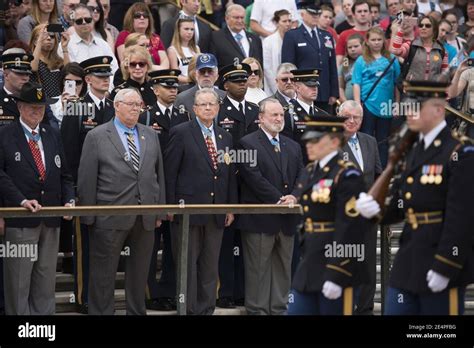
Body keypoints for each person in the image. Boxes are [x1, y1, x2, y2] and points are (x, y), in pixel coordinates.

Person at [356, 80, 474, 315]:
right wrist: (377, 211)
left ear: (439, 110)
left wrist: (446, 265)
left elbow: (462, 217)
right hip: (408, 259)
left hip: (440, 260)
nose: (409, 112)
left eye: (417, 107)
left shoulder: (460, 152)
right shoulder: (412, 150)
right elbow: (403, 203)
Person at [77, 88, 166, 315]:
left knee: (139, 274)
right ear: (116, 105)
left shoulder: (150, 134)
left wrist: (159, 212)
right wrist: (88, 216)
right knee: (103, 274)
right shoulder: (97, 136)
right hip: (109, 216)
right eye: (130, 104)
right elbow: (87, 179)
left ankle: (136, 312)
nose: (136, 109)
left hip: (145, 215)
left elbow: (158, 176)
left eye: (139, 105)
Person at [0, 81, 75, 315]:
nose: (37, 112)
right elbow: (1, 174)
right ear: (20, 107)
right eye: (32, 107)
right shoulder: (5, 135)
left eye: (41, 107)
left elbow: (65, 174)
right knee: (19, 280)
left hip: (50, 218)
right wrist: (21, 200)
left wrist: (70, 200)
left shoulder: (52, 133)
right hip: (20, 217)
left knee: (45, 280)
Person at [164, 88, 238, 315]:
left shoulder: (226, 136)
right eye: (203, 104)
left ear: (218, 108)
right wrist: (169, 206)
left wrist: (229, 207)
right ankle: (187, 309)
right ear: (194, 108)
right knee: (187, 265)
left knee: (209, 266)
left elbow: (229, 174)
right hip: (188, 211)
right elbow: (170, 172)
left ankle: (207, 309)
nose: (208, 108)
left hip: (216, 212)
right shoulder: (181, 132)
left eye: (212, 104)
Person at [287, 116, 368, 315]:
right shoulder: (309, 172)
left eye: (316, 140)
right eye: (308, 140)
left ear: (334, 142)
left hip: (337, 264)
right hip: (311, 262)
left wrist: (338, 271)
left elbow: (350, 228)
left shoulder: (347, 175)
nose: (309, 145)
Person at [238, 98, 304, 315]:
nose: (278, 119)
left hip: (287, 218)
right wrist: (279, 199)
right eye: (273, 115)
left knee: (283, 268)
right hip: (261, 218)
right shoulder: (247, 143)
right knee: (258, 269)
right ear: (260, 118)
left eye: (281, 115)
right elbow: (253, 177)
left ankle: (279, 309)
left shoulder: (292, 145)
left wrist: (294, 197)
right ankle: (257, 310)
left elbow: (302, 176)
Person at [139, 69, 190, 311]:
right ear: (155, 89)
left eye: (175, 87)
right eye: (167, 87)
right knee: (150, 244)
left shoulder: (184, 115)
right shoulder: (147, 116)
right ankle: (150, 292)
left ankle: (169, 291)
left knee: (173, 246)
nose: (173, 90)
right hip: (152, 186)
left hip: (178, 188)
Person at [215, 63, 259, 308]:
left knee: (246, 242)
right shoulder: (220, 112)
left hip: (252, 186)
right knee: (226, 242)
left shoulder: (255, 109)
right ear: (225, 85)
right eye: (236, 79)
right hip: (228, 182)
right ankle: (226, 292)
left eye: (245, 78)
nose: (242, 82)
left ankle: (244, 290)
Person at [338, 100, 382, 315]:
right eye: (347, 116)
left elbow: (378, 176)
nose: (352, 121)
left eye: (357, 117)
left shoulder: (370, 141)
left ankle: (365, 309)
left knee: (367, 264)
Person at [353, 26, 401, 168]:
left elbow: (397, 83)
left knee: (383, 140)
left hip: (386, 105)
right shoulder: (361, 60)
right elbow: (356, 83)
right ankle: (367, 168)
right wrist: (357, 104)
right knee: (367, 138)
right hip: (367, 105)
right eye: (373, 39)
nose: (376, 42)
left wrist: (397, 103)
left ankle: (382, 170)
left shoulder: (392, 59)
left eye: (379, 39)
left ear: (384, 41)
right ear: (367, 41)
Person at [281, 2, 338, 113]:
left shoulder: (326, 35)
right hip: (302, 90)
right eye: (312, 14)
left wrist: (334, 92)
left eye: (317, 14)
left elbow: (332, 65)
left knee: (324, 126)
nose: (315, 17)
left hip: (324, 90)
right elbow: (288, 66)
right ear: (302, 15)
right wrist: (292, 89)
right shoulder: (292, 35)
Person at [63, 4, 118, 89]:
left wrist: (108, 90)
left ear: (93, 20)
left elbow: (114, 71)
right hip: (81, 95)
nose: (84, 22)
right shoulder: (66, 45)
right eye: (79, 21)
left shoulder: (103, 44)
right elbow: (71, 76)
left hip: (106, 93)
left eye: (88, 19)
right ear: (73, 23)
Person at [285, 68, 330, 163]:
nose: (314, 89)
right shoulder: (288, 114)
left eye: (316, 86)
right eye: (309, 86)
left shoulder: (323, 115)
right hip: (298, 166)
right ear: (297, 88)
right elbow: (287, 147)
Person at [390, 15, 448, 84]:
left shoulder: (442, 50)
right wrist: (400, 31)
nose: (423, 28)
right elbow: (396, 51)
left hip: (432, 91)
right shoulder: (411, 45)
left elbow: (444, 74)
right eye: (421, 25)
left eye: (427, 26)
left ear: (434, 30)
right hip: (412, 90)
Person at [115, 2, 169, 70]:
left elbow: (165, 63)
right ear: (131, 19)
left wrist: (150, 68)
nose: (142, 17)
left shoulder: (155, 38)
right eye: (138, 15)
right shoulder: (123, 35)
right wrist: (149, 67)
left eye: (145, 15)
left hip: (156, 76)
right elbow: (125, 61)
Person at [210, 4, 263, 72]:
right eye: (236, 17)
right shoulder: (215, 37)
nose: (240, 21)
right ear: (227, 18)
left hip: (252, 80)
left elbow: (260, 67)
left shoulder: (255, 39)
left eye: (242, 17)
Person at [174, 53, 226, 119]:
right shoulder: (182, 99)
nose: (206, 75)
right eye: (202, 71)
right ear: (196, 75)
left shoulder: (225, 97)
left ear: (217, 76)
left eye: (210, 71)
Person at [29, 23, 70, 98]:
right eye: (44, 35)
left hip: (59, 102)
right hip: (41, 101)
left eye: (52, 36)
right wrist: (39, 42)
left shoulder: (58, 61)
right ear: (35, 41)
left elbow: (69, 73)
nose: (49, 38)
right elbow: (33, 68)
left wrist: (64, 48)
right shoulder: (31, 59)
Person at [262, 9, 292, 96]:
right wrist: (277, 88)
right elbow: (267, 68)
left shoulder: (295, 39)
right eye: (284, 21)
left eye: (289, 21)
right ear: (276, 23)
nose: (287, 24)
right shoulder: (268, 41)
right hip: (273, 86)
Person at [0, 49, 34, 126]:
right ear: (6, 75)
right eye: (19, 73)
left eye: (27, 74)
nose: (25, 78)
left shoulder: (35, 97)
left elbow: (49, 128)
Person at [336, 0, 371, 67]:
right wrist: (343, 73)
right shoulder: (344, 35)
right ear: (353, 14)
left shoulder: (376, 34)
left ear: (369, 13)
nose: (363, 14)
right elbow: (340, 60)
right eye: (359, 11)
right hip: (351, 74)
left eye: (365, 11)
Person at [167, 16, 201, 85]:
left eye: (192, 29)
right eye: (186, 29)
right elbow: (175, 75)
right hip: (183, 87)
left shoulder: (196, 48)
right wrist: (191, 79)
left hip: (197, 84)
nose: (189, 32)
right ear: (178, 30)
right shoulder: (172, 50)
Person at [338, 33, 364, 102]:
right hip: (349, 104)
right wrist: (345, 102)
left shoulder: (369, 62)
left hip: (367, 103)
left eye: (356, 46)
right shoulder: (344, 65)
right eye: (349, 47)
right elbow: (340, 87)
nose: (353, 49)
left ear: (364, 46)